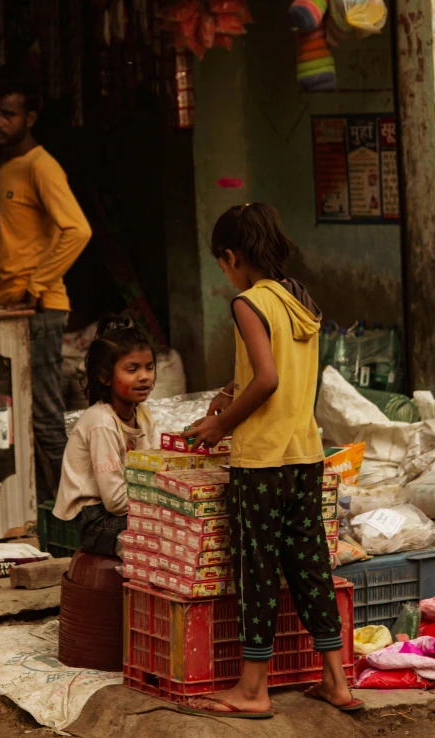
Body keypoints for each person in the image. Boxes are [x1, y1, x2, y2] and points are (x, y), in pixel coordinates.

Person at [179, 204, 362, 719]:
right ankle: (336, 681)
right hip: (303, 453)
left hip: (260, 461)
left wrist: (221, 424)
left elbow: (268, 379)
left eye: (222, 264)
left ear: (232, 257)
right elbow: (279, 369)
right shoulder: (299, 298)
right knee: (309, 566)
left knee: (256, 569)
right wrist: (230, 389)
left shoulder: (248, 303)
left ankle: (253, 690)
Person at [0, 65, 92, 501]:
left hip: (40, 309)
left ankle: (81, 512)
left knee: (46, 417)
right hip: (12, 310)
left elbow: (78, 230)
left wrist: (38, 284)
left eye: (9, 114)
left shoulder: (41, 166)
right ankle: (45, 508)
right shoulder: (7, 168)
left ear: (30, 117)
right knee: (20, 417)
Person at [53, 314, 158, 556]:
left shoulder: (143, 415)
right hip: (96, 519)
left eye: (149, 368)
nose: (144, 376)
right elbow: (115, 502)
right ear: (105, 377)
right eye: (132, 369)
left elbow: (155, 467)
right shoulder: (101, 422)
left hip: (129, 507)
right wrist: (159, 500)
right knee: (165, 530)